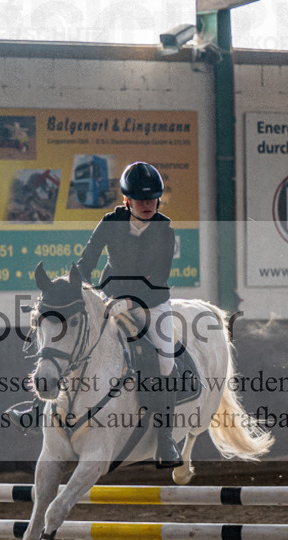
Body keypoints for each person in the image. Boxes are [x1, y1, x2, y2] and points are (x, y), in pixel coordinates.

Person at [76, 161, 182, 468]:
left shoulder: (165, 230)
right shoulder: (110, 222)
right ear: (127, 201)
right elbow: (87, 261)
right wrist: (78, 288)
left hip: (152, 303)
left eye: (152, 199)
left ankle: (166, 440)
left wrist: (132, 304)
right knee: (75, 340)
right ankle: (39, 410)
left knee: (164, 361)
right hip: (111, 296)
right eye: (140, 200)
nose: (148, 205)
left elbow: (158, 277)